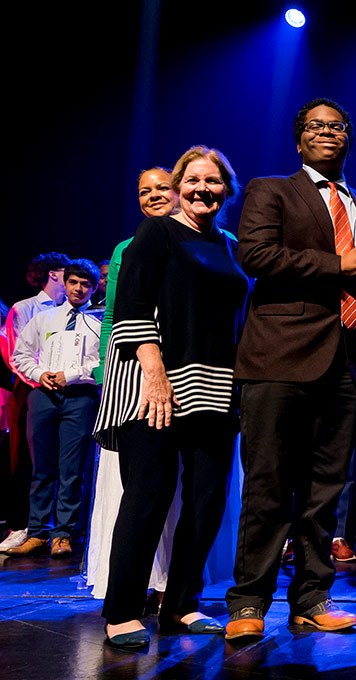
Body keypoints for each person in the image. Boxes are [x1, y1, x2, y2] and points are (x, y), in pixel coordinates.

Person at [225, 98, 356, 640]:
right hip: (277, 358)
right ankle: (249, 602)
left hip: (345, 363)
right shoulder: (269, 190)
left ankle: (312, 597)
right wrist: (334, 264)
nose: (327, 133)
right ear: (299, 141)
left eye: (337, 126)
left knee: (325, 491)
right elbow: (256, 257)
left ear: (349, 137)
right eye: (316, 126)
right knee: (269, 484)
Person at [92, 146, 249, 649]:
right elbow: (130, 306)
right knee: (148, 498)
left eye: (214, 181)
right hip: (154, 387)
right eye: (193, 180)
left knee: (206, 503)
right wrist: (155, 374)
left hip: (217, 390)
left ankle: (181, 603)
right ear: (180, 186)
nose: (203, 189)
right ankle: (121, 609)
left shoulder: (229, 243)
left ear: (227, 189)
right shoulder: (156, 232)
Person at [86, 167, 182, 605]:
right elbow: (114, 316)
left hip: (196, 377)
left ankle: (173, 586)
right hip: (135, 376)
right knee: (141, 488)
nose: (154, 196)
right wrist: (110, 376)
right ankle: (134, 586)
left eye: (163, 188)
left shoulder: (214, 239)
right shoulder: (128, 246)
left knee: (182, 490)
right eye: (145, 191)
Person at [5, 259, 102, 557]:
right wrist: (39, 375)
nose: (79, 289)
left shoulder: (98, 324)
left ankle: (64, 534)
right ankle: (37, 532)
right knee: (41, 469)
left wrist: (71, 375)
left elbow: (103, 363)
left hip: (80, 396)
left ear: (94, 287)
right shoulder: (44, 319)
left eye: (86, 284)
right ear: (65, 283)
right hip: (43, 396)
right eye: (74, 282)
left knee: (72, 469)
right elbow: (21, 354)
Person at [0, 252, 71, 553]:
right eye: (65, 272)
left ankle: (59, 528)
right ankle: (23, 525)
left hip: (67, 389)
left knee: (64, 461)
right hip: (30, 391)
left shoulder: (72, 309)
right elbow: (14, 352)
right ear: (53, 274)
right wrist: (41, 378)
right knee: (27, 460)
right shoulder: (25, 308)